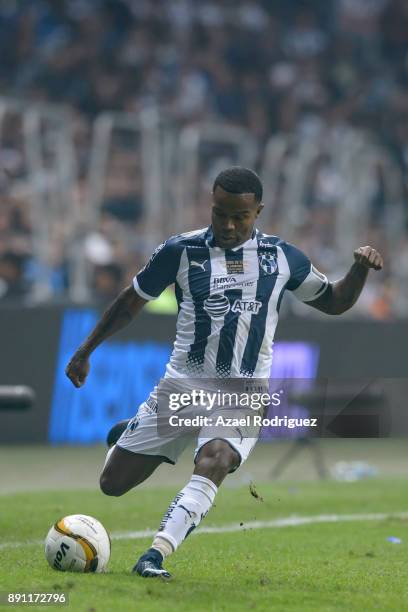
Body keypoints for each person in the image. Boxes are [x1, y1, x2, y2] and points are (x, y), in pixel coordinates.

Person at [65, 167, 383, 578]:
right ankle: (133, 433)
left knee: (216, 458)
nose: (230, 225)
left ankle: (156, 554)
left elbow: (335, 302)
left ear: (259, 212)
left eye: (241, 216)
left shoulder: (281, 258)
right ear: (211, 207)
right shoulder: (180, 251)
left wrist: (359, 269)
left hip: (243, 391)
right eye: (221, 214)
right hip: (182, 386)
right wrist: (85, 350)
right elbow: (130, 302)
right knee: (112, 484)